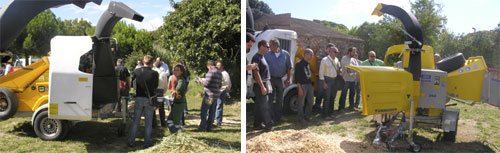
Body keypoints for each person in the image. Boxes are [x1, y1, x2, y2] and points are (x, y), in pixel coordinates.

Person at [128, 55, 159, 148]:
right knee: (148, 121)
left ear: (143, 61)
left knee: (136, 121)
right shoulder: (154, 73)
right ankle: (147, 142)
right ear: (152, 63)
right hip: (149, 99)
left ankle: (131, 141)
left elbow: (133, 84)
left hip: (138, 97)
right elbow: (155, 86)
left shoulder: (137, 71)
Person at [264, 38, 292, 122]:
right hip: (270, 79)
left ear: (275, 45)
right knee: (270, 98)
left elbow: (289, 68)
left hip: (280, 79)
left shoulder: (285, 54)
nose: (268, 47)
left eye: (270, 45)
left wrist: (288, 80)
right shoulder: (267, 54)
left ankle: (278, 116)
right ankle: (270, 117)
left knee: (280, 99)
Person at [252, 40, 273, 131]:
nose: (269, 48)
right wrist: (262, 87)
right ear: (261, 47)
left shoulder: (262, 57)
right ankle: (269, 124)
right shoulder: (256, 58)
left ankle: (257, 124)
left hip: (264, 83)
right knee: (265, 106)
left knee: (259, 105)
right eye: (267, 47)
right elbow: (256, 74)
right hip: (260, 84)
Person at [197, 60, 222, 132]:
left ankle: (202, 127)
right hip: (216, 95)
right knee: (212, 112)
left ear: (210, 66)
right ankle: (209, 127)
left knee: (204, 111)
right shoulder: (219, 73)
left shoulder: (211, 71)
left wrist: (201, 81)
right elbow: (220, 85)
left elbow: (206, 83)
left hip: (209, 95)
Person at [318, 46, 341, 119]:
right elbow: (321, 72)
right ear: (330, 52)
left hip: (334, 80)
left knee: (332, 97)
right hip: (327, 80)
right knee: (327, 98)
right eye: (335, 52)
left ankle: (331, 113)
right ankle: (325, 114)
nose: (336, 54)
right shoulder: (324, 60)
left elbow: (338, 68)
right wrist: (323, 83)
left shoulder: (337, 60)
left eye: (337, 52)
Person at [295, 48, 314, 123]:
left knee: (310, 101)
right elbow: (297, 78)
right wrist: (299, 88)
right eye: (311, 55)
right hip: (302, 85)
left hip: (309, 85)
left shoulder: (308, 63)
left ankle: (307, 116)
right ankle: (301, 118)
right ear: (306, 54)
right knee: (301, 103)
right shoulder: (299, 64)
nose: (312, 57)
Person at [167, 64, 188, 133]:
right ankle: (177, 133)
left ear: (181, 72)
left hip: (179, 104)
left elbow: (178, 89)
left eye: (177, 70)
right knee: (170, 120)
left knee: (176, 123)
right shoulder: (179, 79)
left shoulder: (181, 80)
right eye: (174, 70)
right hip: (177, 103)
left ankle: (177, 135)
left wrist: (174, 92)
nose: (175, 72)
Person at [313, 44, 333, 114]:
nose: (331, 51)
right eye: (330, 49)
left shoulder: (332, 57)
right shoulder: (322, 56)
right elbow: (320, 66)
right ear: (327, 49)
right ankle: (317, 108)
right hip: (322, 78)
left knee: (327, 95)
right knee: (320, 93)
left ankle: (324, 109)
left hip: (329, 78)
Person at [339, 47, 358, 111]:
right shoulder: (344, 58)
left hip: (353, 79)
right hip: (346, 79)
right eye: (353, 52)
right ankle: (341, 107)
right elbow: (348, 68)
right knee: (344, 93)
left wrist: (353, 69)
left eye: (355, 52)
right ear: (349, 52)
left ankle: (351, 107)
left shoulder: (354, 60)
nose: (354, 53)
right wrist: (353, 69)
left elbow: (357, 68)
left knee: (352, 94)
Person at [214, 61, 231, 126]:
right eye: (217, 65)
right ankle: (214, 119)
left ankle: (218, 121)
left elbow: (228, 84)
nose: (218, 67)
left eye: (219, 65)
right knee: (214, 106)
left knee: (219, 106)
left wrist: (226, 90)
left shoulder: (225, 74)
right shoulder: (216, 73)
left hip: (221, 91)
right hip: (216, 91)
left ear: (222, 66)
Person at [152, 62, 168, 128]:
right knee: (161, 108)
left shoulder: (153, 72)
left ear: (154, 66)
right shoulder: (163, 73)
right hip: (160, 91)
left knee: (153, 107)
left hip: (154, 91)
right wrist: (163, 91)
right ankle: (163, 123)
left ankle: (154, 123)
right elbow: (165, 84)